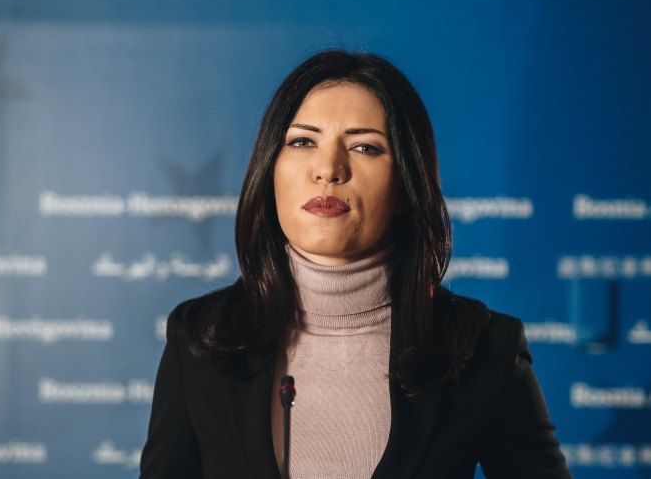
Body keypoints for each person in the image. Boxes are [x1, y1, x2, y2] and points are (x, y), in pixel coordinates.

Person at [138, 48, 573, 479]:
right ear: (270, 169)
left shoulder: (485, 348)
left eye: (365, 147)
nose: (328, 169)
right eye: (303, 141)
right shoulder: (199, 339)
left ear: (405, 186)